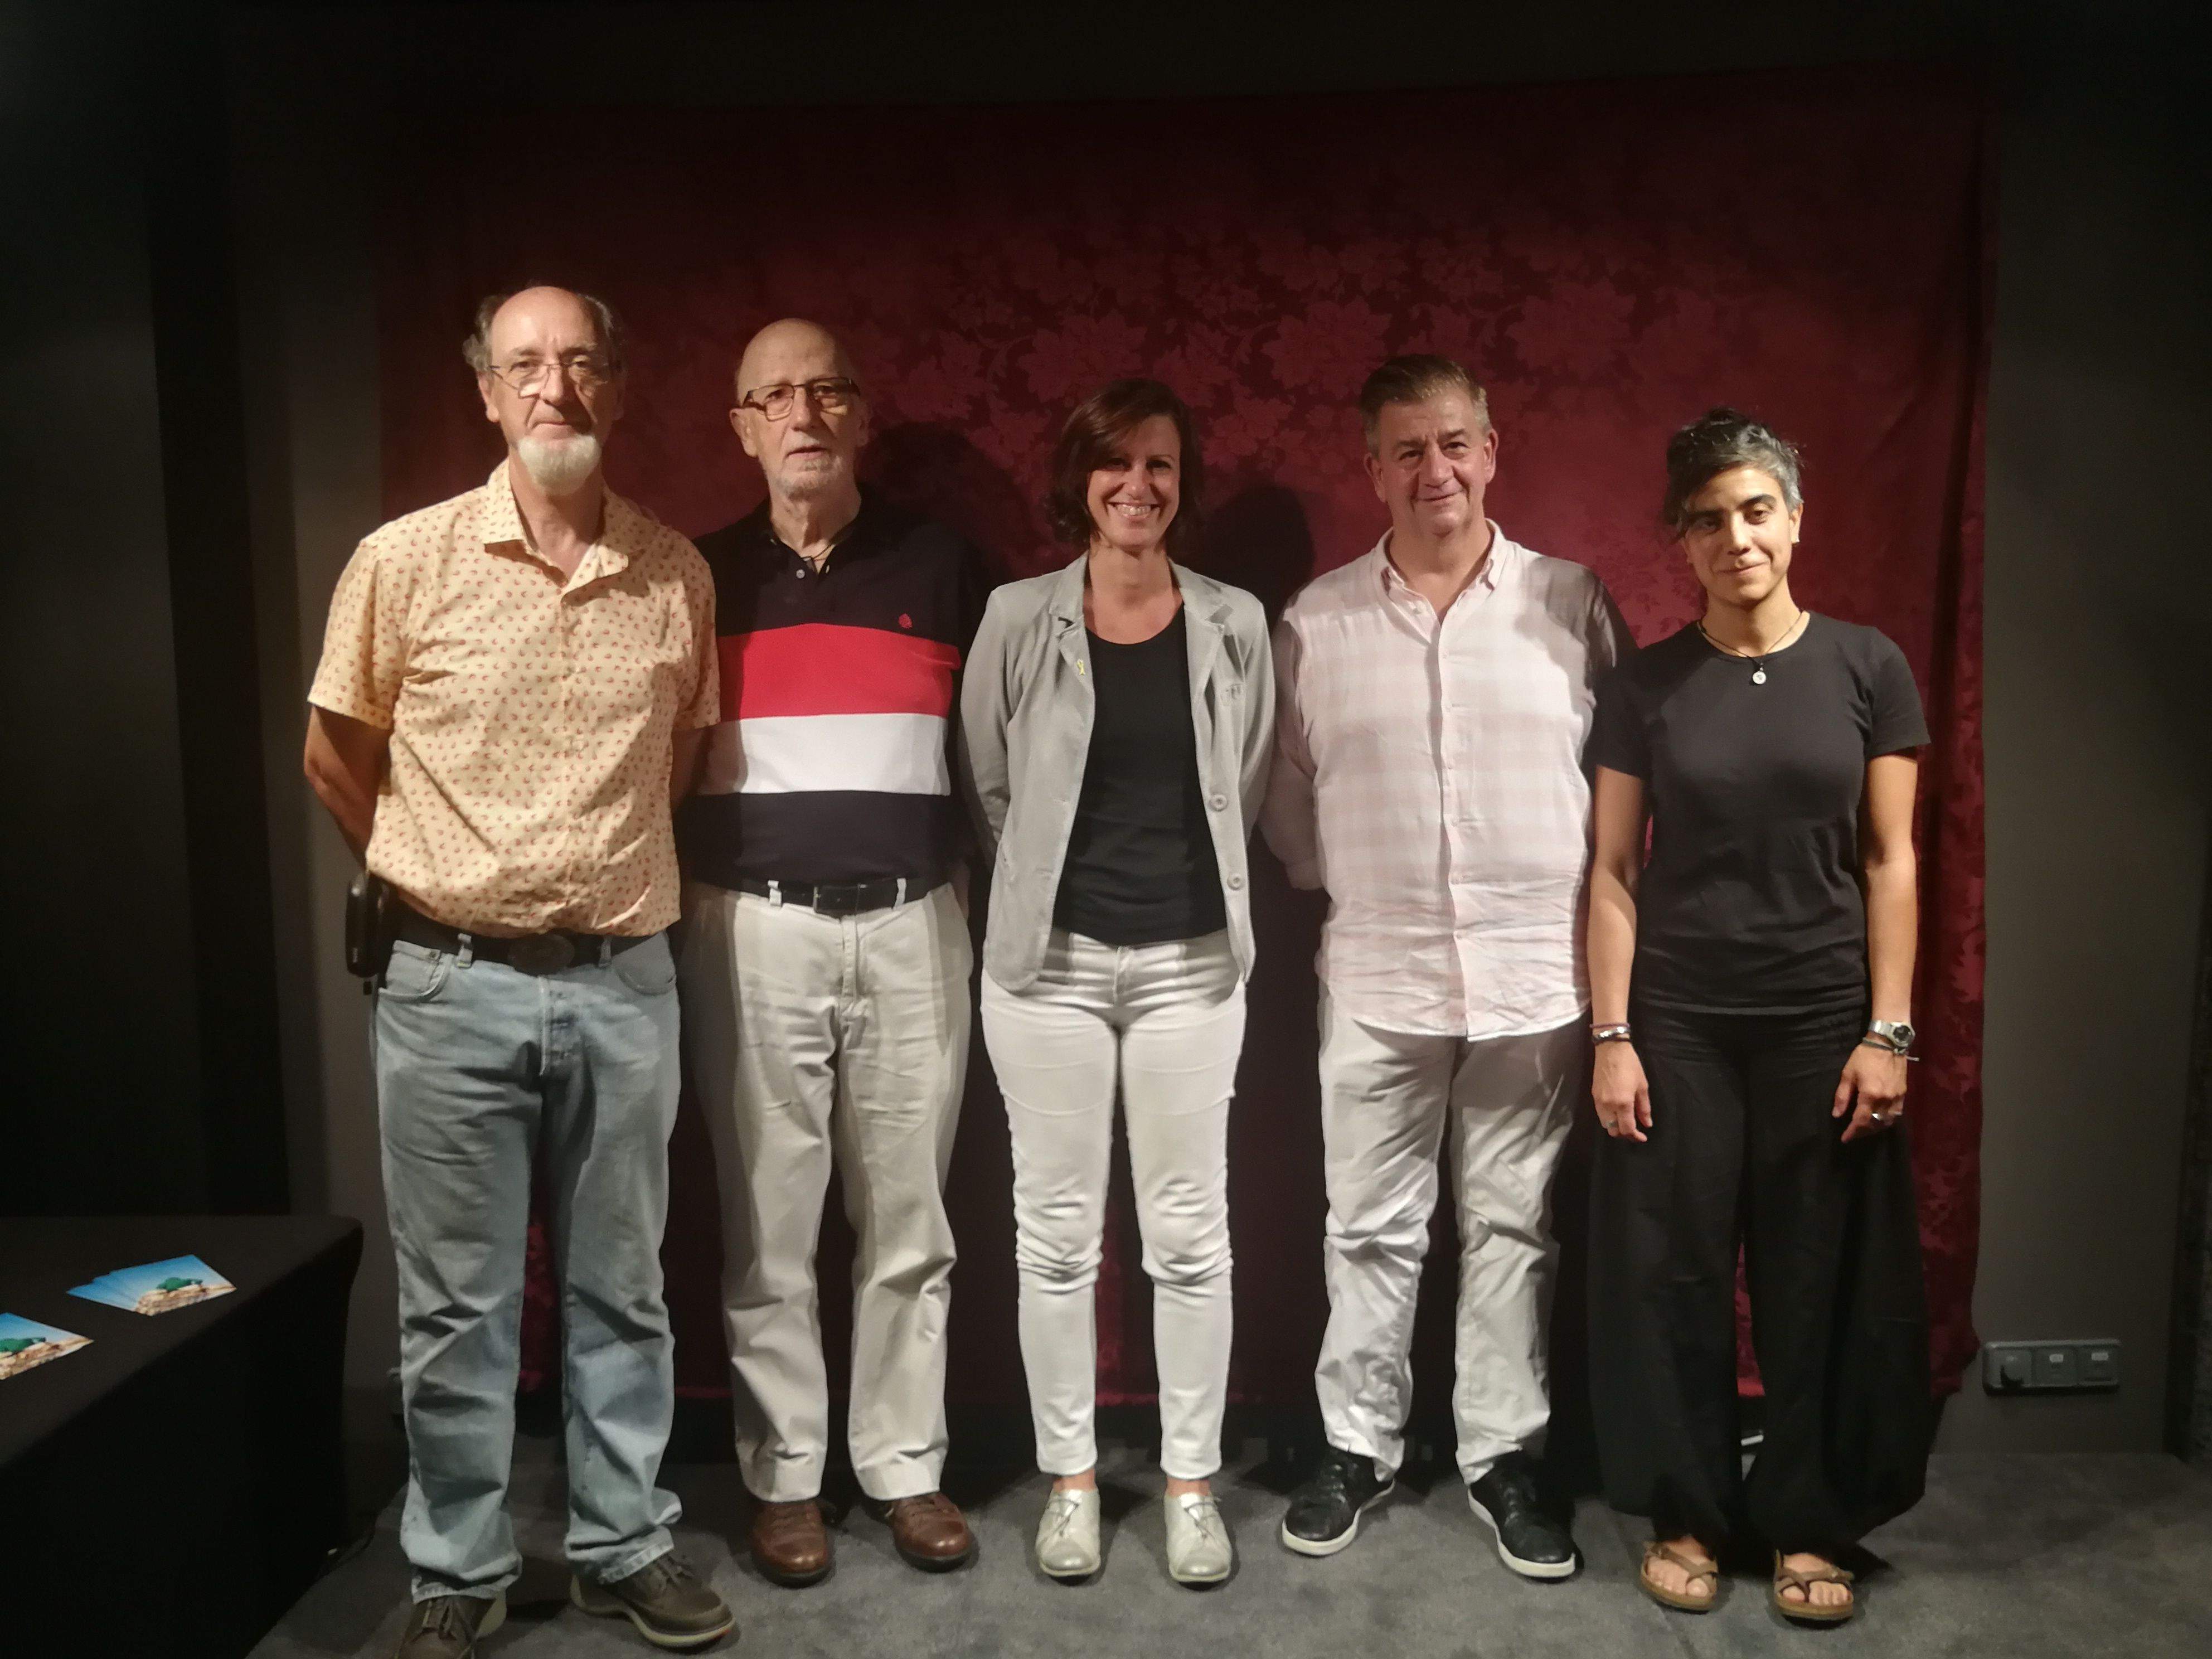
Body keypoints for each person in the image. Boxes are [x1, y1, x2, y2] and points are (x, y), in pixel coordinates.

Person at [303, 287, 734, 1656]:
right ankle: (460, 1566)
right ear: (485, 391)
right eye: (525, 365)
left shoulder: (675, 572)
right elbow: (334, 754)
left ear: (617, 388)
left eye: (582, 364)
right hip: (448, 990)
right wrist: (445, 869)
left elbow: (679, 764)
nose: (555, 387)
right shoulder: (404, 561)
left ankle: (622, 1545)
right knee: (457, 1307)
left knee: (624, 1291)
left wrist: (582, 882)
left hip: (623, 981)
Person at [1265, 355, 1629, 1579]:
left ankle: (1501, 1456)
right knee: (1368, 1226)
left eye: (1456, 443)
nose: (1437, 470)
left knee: (1513, 1225)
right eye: (1408, 449)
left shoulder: (1571, 603)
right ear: (1370, 467)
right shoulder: (1314, 622)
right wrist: (1368, 889)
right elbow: (1289, 804)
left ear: (1492, 449)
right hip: (1377, 968)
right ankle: (1357, 1445)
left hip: (1533, 971)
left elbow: (1620, 787)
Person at [1584, 408, 1932, 1625]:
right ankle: (1689, 1511)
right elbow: (1614, 871)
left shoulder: (1866, 666)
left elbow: (1890, 860)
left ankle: (1803, 1520)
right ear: (1680, 541)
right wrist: (1611, 1033)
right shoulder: (1647, 684)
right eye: (1707, 519)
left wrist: (1886, 1030)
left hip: (1818, 1019)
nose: (1735, 536)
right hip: (1677, 1020)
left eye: (1755, 510)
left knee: (1813, 1279)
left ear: (1793, 519)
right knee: (1672, 1273)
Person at [677, 319, 987, 1585]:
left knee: (910, 1219)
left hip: (916, 920)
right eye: (772, 397)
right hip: (751, 926)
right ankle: (787, 1480)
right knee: (768, 1227)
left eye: (824, 392)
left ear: (859, 414)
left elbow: (999, 754)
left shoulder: (949, 562)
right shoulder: (693, 577)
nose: (801, 414)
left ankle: (906, 1470)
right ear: (742, 426)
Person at [959, 379, 1273, 1585]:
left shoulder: (1234, 623)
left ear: (1182, 483)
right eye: (1115, 466)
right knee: (1054, 1242)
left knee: (1191, 1241)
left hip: (1193, 968)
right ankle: (1073, 1481)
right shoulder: (1015, 616)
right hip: (1046, 972)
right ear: (1079, 480)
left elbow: (1238, 787)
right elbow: (989, 784)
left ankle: (1190, 1483)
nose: (1137, 487)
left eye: (1160, 466)